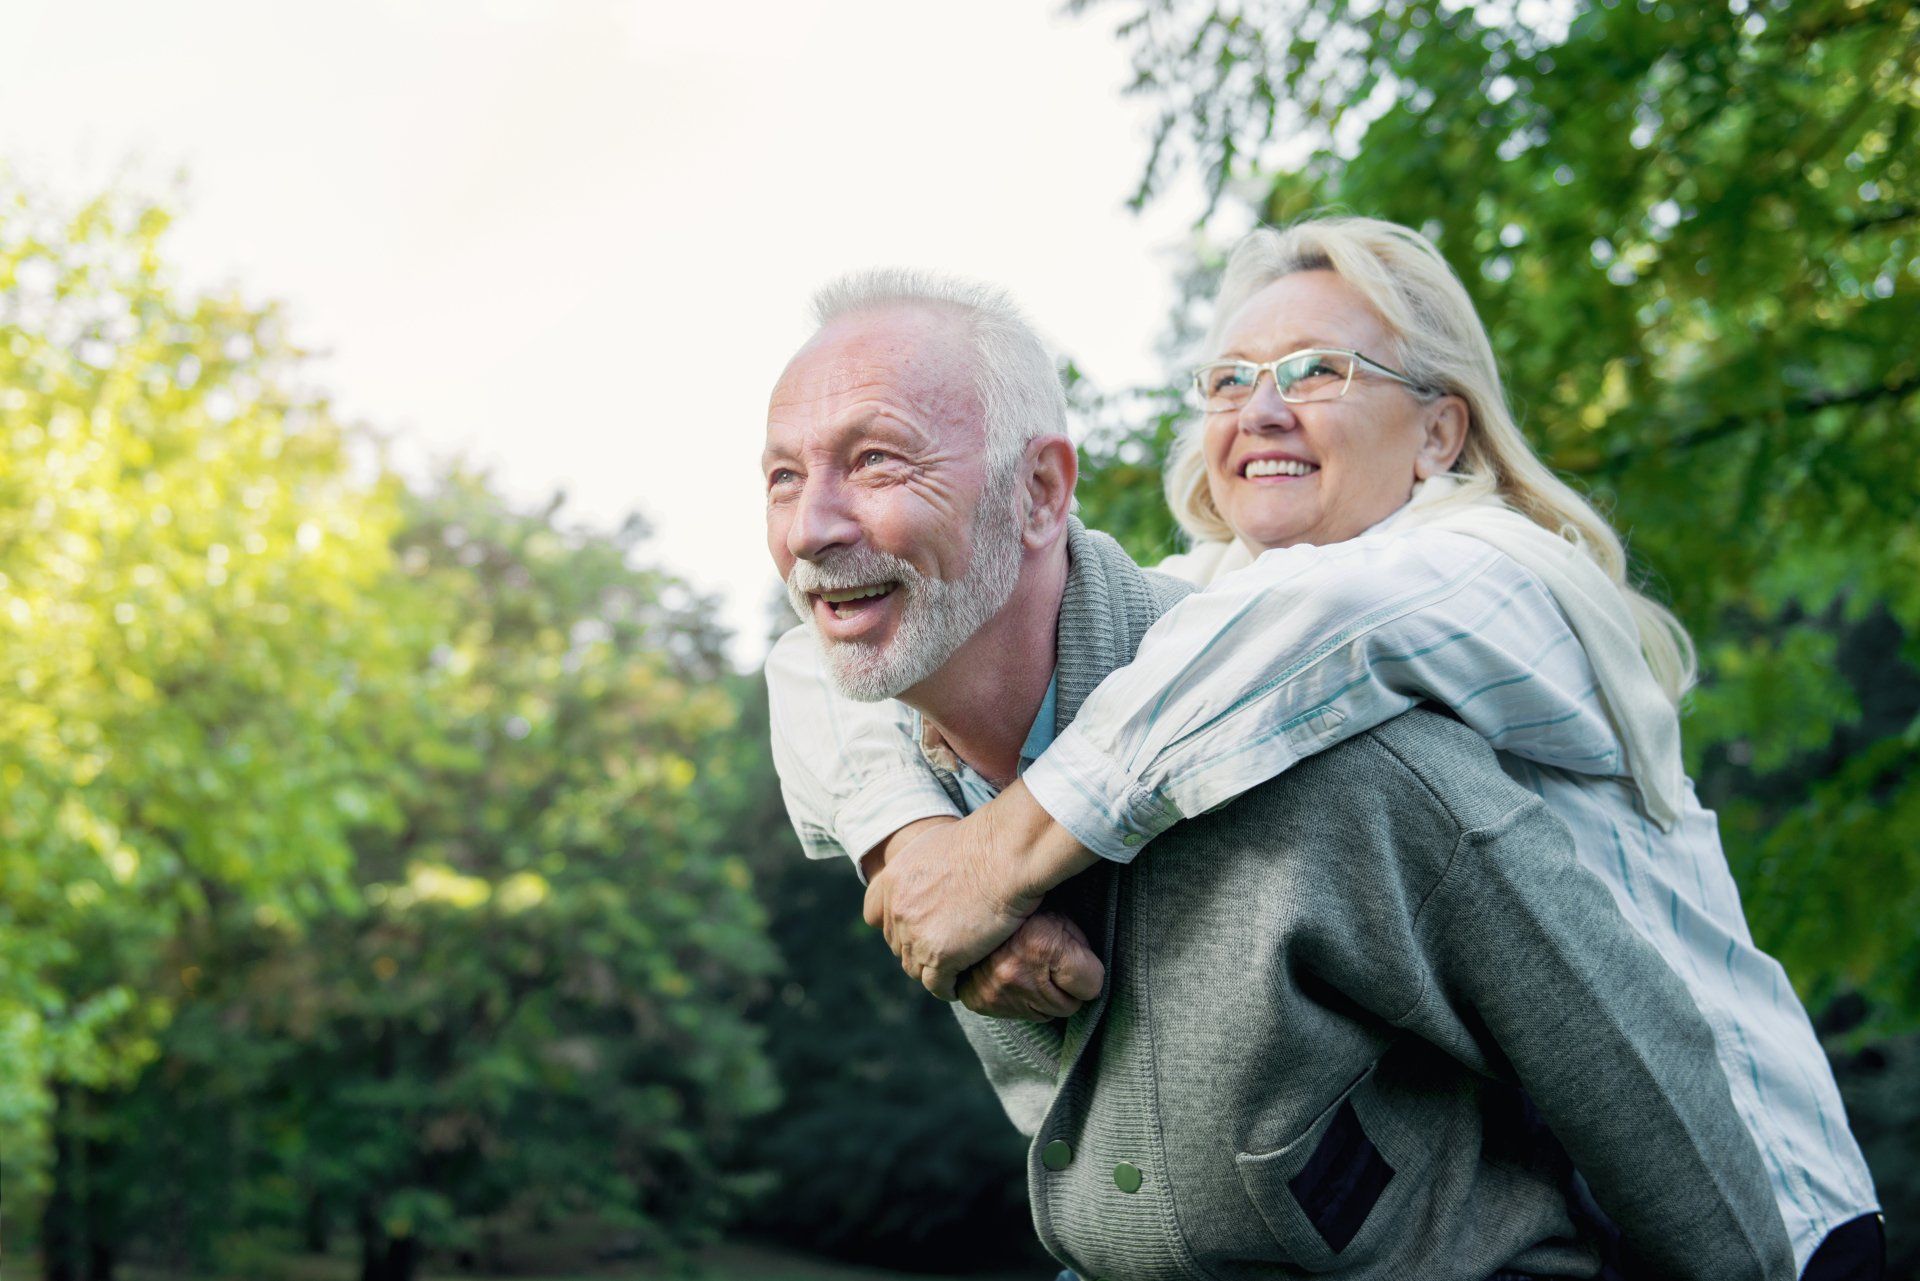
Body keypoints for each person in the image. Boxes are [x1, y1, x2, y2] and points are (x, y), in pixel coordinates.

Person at [769, 219, 1884, 1278]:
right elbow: (813, 666)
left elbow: (1308, 632)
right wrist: (909, 847)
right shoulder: (1221, 615)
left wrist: (997, 859)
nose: (1262, 408)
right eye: (1229, 379)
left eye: (1316, 372)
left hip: (1765, 1202)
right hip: (1551, 1179)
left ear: (1440, 432)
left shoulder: (1501, 574)